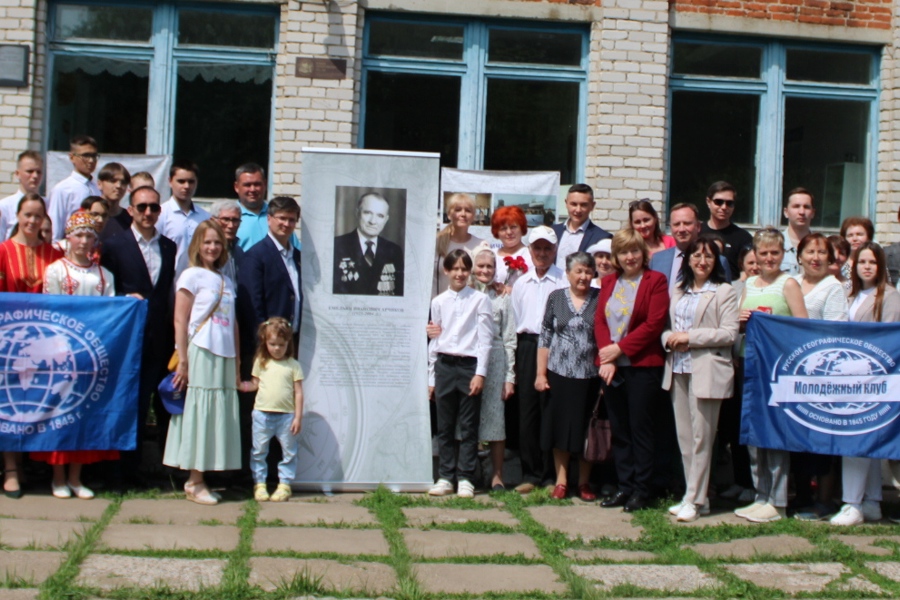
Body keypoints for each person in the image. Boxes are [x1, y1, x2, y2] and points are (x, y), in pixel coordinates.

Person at [36, 211, 117, 499]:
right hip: (62, 355)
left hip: (91, 356)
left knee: (84, 414)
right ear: (68, 237)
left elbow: (110, 316)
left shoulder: (104, 276)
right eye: (79, 234)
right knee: (60, 414)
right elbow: (50, 311)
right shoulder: (56, 271)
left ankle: (75, 476)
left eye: (89, 235)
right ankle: (57, 476)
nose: (84, 241)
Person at [100, 186, 177, 483]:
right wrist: (123, 296)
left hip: (161, 339)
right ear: (130, 209)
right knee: (131, 405)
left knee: (166, 405)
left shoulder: (169, 247)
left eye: (154, 207)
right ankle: (123, 474)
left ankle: (167, 470)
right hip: (128, 341)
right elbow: (105, 291)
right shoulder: (114, 244)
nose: (148, 213)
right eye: (142, 207)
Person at [164, 220, 241, 505]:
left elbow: (232, 323)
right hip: (200, 350)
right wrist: (182, 359)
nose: (212, 247)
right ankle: (194, 480)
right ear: (198, 244)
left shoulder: (226, 280)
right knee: (199, 413)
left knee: (215, 415)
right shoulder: (190, 276)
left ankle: (204, 476)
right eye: (207, 242)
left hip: (224, 353)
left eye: (217, 242)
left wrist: (236, 362)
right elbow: (180, 319)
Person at [662, 236, 738, 522]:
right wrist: (668, 339)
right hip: (678, 368)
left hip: (706, 370)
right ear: (688, 260)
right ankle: (696, 497)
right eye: (696, 256)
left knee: (702, 438)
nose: (702, 261)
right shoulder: (679, 290)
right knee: (684, 437)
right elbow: (668, 327)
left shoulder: (723, 291)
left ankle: (694, 499)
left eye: (708, 256)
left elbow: (729, 333)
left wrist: (690, 338)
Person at [734, 227, 808, 523]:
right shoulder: (749, 283)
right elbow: (738, 326)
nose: (768, 258)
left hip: (777, 369)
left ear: (783, 254)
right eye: (763, 253)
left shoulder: (788, 283)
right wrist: (740, 320)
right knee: (754, 434)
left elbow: (802, 327)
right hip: (749, 365)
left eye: (774, 253)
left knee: (774, 433)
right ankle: (760, 494)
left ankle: (777, 501)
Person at [596, 229, 669, 512]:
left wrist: (620, 349)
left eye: (635, 251)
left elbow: (654, 324)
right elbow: (600, 322)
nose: (630, 257)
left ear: (643, 253)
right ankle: (624, 487)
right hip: (612, 369)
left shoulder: (655, 281)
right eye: (624, 252)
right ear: (616, 256)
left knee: (641, 429)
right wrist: (608, 357)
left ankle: (642, 489)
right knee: (619, 429)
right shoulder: (609, 282)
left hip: (642, 366)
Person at [832, 242, 900, 525]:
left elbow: (890, 341)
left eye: (873, 262)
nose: (868, 267)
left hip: (873, 379)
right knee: (863, 440)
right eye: (862, 262)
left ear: (881, 266)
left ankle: (852, 504)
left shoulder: (891, 296)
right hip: (849, 377)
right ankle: (870, 501)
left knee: (859, 439)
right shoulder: (851, 294)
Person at [0, 193, 63, 497]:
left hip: (43, 343)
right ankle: (11, 467)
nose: (32, 221)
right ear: (18, 215)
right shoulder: (2, 251)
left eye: (38, 216)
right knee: (8, 402)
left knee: (35, 400)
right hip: (8, 341)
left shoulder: (53, 255)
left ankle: (32, 463)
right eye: (28, 215)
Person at [427, 249, 493, 498]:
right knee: (444, 425)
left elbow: (485, 340)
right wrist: (431, 378)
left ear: (470, 272)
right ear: (446, 271)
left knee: (468, 425)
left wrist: (481, 373)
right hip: (445, 365)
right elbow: (435, 339)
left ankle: (465, 476)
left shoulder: (479, 300)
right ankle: (445, 476)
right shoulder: (438, 301)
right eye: (454, 269)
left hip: (468, 366)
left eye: (464, 269)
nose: (459, 273)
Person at [791, 232, 848, 519]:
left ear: (831, 258)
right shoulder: (793, 284)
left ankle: (824, 501)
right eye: (810, 252)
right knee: (800, 437)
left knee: (824, 439)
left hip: (823, 377)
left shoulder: (832, 288)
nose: (815, 258)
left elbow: (837, 332)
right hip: (796, 375)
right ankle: (802, 496)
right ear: (799, 256)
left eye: (821, 253)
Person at [537, 251, 601, 501]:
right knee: (559, 428)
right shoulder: (555, 298)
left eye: (588, 271)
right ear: (568, 273)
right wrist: (541, 374)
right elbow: (545, 336)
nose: (583, 276)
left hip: (590, 375)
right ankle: (561, 481)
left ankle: (584, 482)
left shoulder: (600, 298)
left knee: (587, 429)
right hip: (559, 374)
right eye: (579, 271)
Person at [510, 225, 567, 493]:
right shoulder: (521, 283)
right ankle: (530, 473)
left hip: (556, 347)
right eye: (537, 248)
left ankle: (549, 474)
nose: (542, 253)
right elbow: (516, 320)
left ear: (555, 250)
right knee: (528, 411)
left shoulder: (564, 281)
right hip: (528, 346)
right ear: (529, 251)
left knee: (551, 410)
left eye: (547, 248)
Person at [466, 247, 516, 490]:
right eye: (481, 266)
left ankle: (497, 475)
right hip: (468, 360)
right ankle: (467, 472)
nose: (485, 270)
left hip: (496, 362)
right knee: (466, 419)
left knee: (496, 420)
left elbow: (509, 339)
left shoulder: (502, 297)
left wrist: (509, 377)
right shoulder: (463, 292)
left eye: (490, 266)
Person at [240, 317, 304, 503]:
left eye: (281, 345)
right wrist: (241, 386)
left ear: (288, 344)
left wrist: (298, 417)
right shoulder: (261, 362)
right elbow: (254, 384)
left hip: (286, 416)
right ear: (265, 342)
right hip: (262, 414)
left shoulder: (293, 365)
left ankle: (284, 484)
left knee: (289, 452)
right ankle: (259, 484)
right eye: (272, 344)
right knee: (259, 450)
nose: (276, 348)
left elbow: (298, 393)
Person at [240, 196, 302, 351]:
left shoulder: (299, 257)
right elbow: (253, 304)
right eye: (281, 218)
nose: (286, 224)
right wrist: (263, 340)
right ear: (269, 219)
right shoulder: (256, 255)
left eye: (291, 220)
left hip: (293, 341)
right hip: (268, 344)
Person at [649, 203, 731, 295]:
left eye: (687, 223)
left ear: (698, 226)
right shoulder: (656, 260)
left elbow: (724, 298)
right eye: (676, 224)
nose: (681, 229)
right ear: (671, 228)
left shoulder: (718, 261)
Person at [333, 192, 404, 296]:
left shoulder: (394, 251)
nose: (373, 221)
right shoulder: (337, 245)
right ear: (357, 213)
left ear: (386, 219)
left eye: (380, 215)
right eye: (367, 213)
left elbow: (399, 293)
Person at [157, 160, 210, 280]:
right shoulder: (161, 214)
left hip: (201, 278)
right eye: (181, 181)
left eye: (191, 182)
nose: (186, 186)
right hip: (171, 279)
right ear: (170, 181)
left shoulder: (205, 217)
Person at [49, 136, 102, 241]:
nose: (91, 160)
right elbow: (55, 229)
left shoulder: (97, 188)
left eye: (94, 156)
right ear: (72, 157)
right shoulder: (63, 189)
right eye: (86, 156)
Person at [551, 183, 611, 270]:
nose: (578, 210)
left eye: (583, 205)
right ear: (566, 203)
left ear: (592, 206)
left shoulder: (602, 238)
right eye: (574, 204)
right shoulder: (553, 231)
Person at [700, 182, 752, 279]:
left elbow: (747, 271)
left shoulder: (743, 237)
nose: (724, 207)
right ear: (708, 202)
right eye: (718, 202)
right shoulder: (697, 232)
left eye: (729, 203)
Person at [434, 193, 483, 296]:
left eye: (468, 210)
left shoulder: (481, 245)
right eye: (458, 210)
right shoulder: (436, 242)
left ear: (473, 216)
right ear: (449, 214)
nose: (463, 214)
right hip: (438, 307)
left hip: (469, 308)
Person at [0, 150, 43, 239]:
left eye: (38, 172)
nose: (35, 176)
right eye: (30, 171)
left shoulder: (48, 204)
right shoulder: (5, 206)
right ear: (17, 174)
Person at [492, 205, 532, 287]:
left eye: (513, 227)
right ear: (497, 232)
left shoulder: (531, 255)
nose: (509, 232)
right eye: (503, 229)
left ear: (522, 228)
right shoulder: (491, 254)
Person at [781, 188, 815, 276]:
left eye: (806, 207)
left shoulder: (823, 246)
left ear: (813, 213)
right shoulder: (775, 245)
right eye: (796, 206)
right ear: (786, 212)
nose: (802, 212)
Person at [210, 200, 245, 285]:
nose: (231, 226)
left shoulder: (238, 252)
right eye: (225, 219)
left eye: (235, 220)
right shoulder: (200, 251)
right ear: (212, 220)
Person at [96, 162, 131, 241]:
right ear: (99, 184)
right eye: (113, 181)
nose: (118, 186)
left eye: (123, 182)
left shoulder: (130, 219)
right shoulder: (88, 215)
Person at [839, 216, 874, 281]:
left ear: (868, 237)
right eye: (850, 235)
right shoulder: (839, 263)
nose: (854, 239)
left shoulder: (876, 262)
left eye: (859, 234)